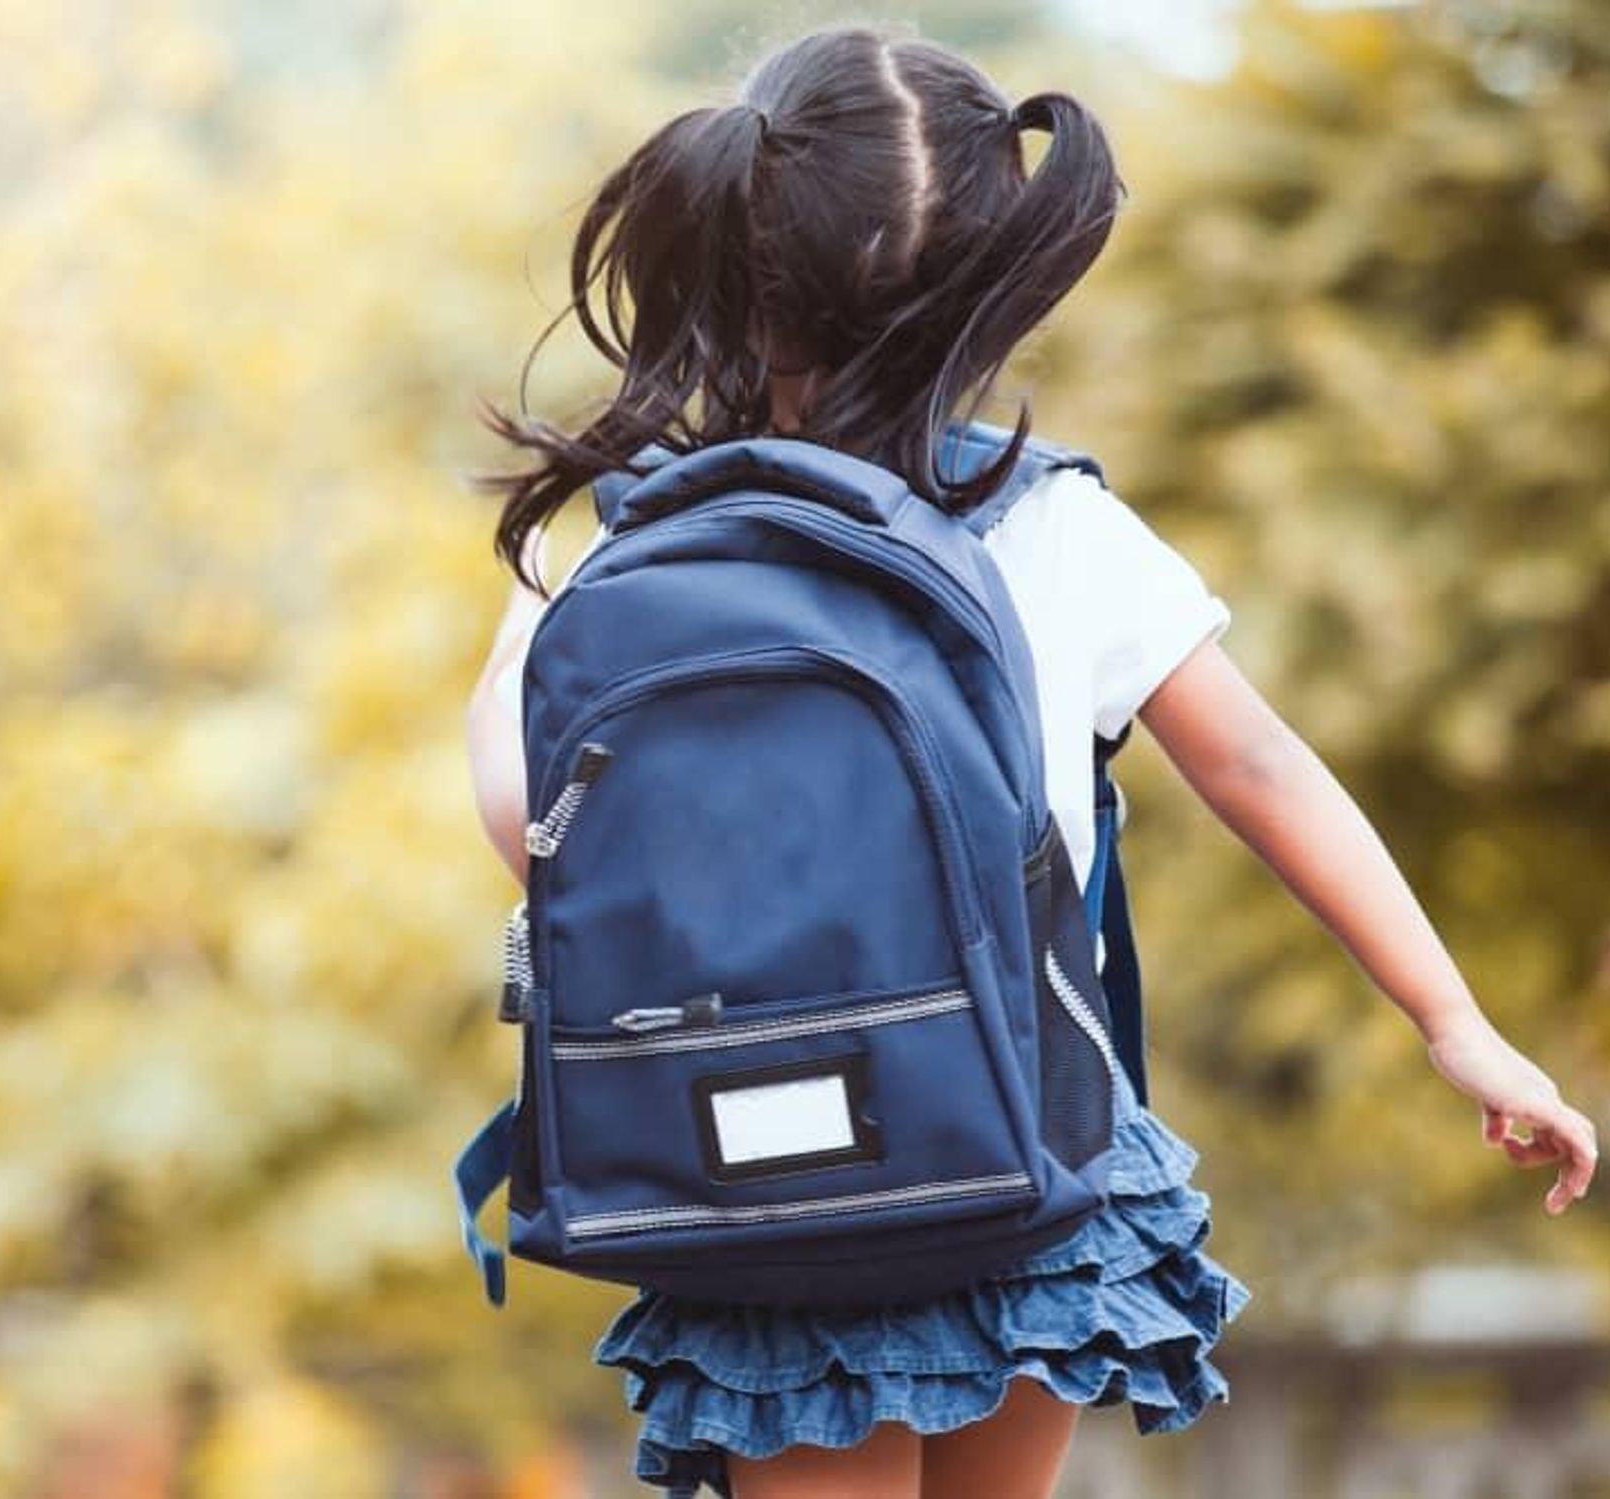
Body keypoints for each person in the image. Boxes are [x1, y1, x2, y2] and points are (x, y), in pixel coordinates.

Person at [460, 23, 1598, 1499]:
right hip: (1016, 1140)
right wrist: (1453, 1020)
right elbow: (1258, 768)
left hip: (751, 1171)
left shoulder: (628, 547)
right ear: (990, 292)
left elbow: (527, 833)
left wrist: (520, 643)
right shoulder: (1049, 526)